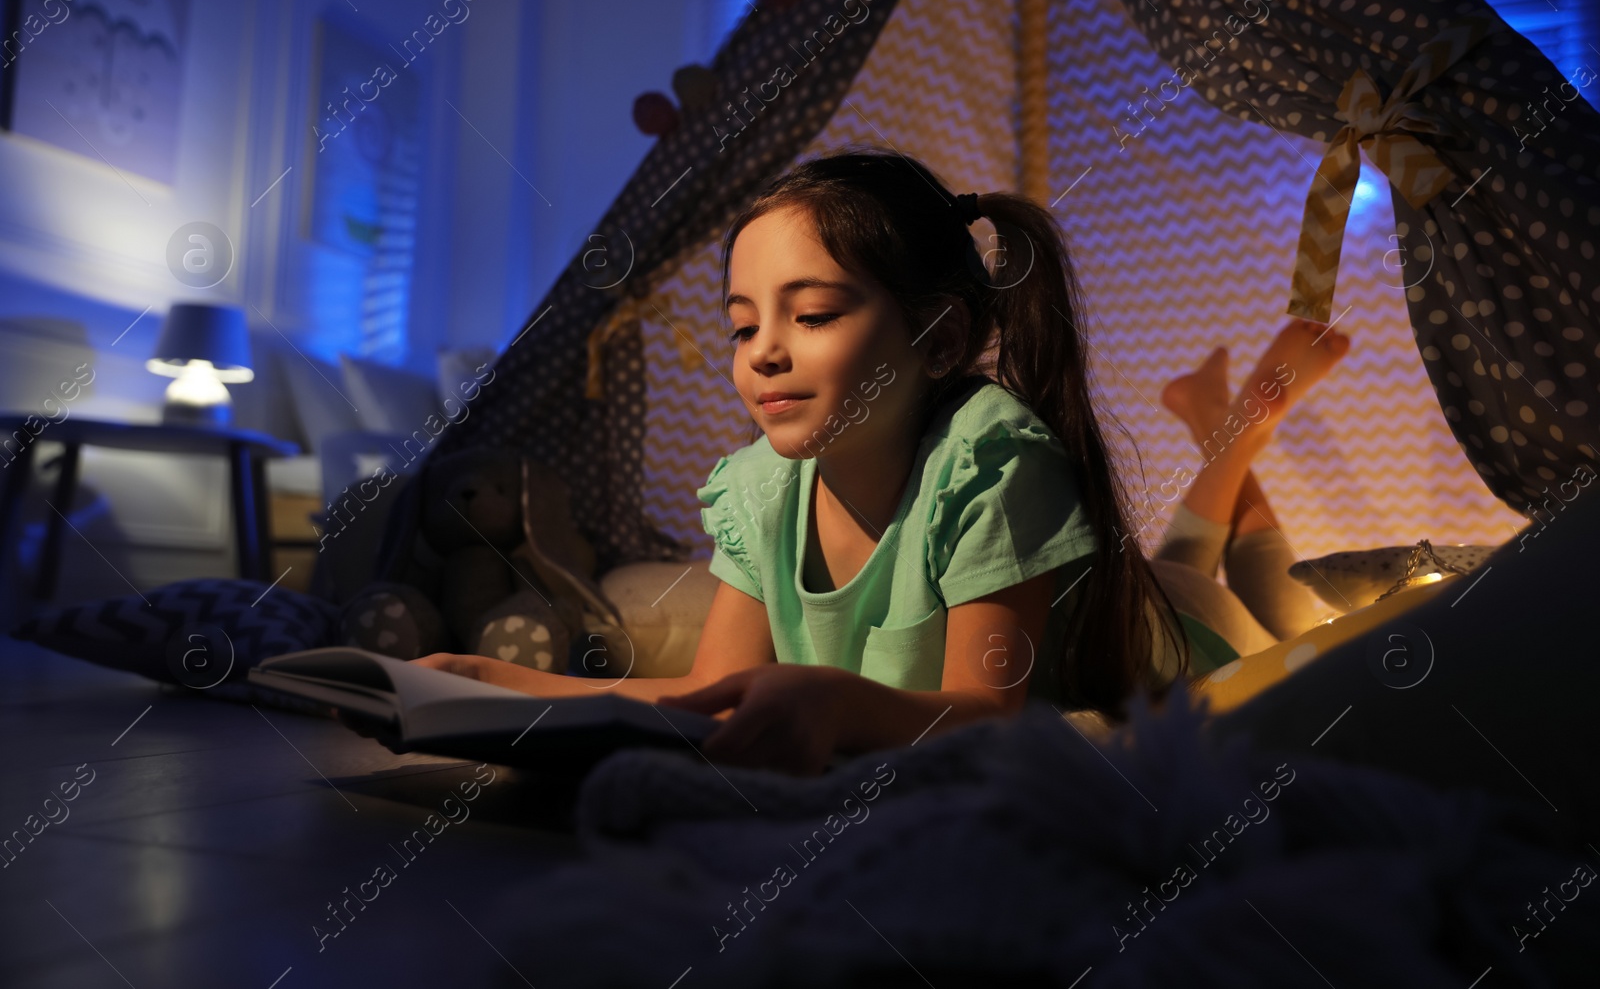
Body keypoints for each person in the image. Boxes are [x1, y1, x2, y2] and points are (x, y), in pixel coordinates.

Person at [409, 148, 1235, 775]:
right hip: (1118, 587)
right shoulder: (758, 487)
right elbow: (701, 695)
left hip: (1177, 632)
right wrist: (492, 680)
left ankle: (1234, 430)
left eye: (810, 314)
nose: (762, 352)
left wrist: (839, 700)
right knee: (1186, 559)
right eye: (741, 325)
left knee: (1239, 586)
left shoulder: (991, 460)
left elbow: (986, 712)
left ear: (938, 338)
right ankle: (1221, 424)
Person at [1144, 319, 1351, 657]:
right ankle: (1214, 421)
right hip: (1138, 595)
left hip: (1171, 651)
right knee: (1290, 636)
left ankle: (1222, 424)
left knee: (1297, 653)